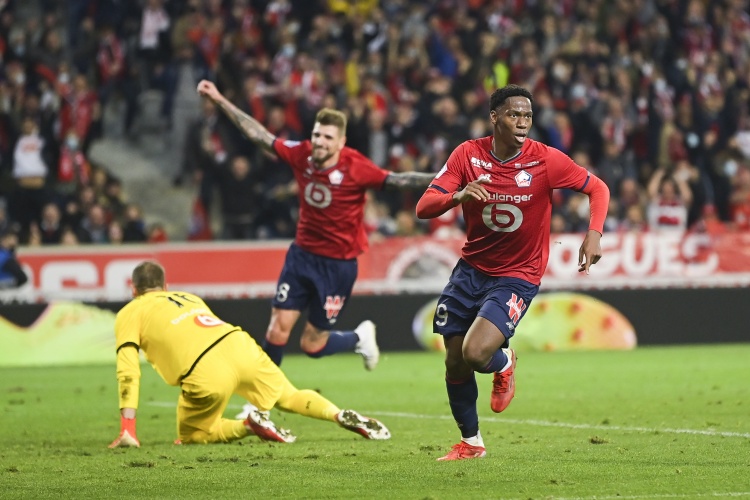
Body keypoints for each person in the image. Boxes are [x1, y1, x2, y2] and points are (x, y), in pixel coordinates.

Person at [415, 84, 610, 461]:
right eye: (514, 115)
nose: (522, 122)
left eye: (527, 116)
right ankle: (472, 443)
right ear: (494, 117)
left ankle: (505, 361)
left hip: (518, 274)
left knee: (475, 353)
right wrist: (458, 196)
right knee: (454, 360)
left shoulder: (546, 159)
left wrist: (594, 234)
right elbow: (424, 207)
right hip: (471, 269)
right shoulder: (467, 155)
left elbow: (598, 189)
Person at [196, 80, 433, 370]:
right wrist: (219, 99)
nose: (320, 142)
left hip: (338, 266)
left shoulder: (356, 167)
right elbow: (260, 136)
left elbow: (399, 180)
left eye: (328, 138)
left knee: (312, 345)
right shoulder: (302, 153)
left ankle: (359, 338)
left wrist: (449, 179)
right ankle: (264, 396)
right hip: (302, 256)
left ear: (341, 142)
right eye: (317, 135)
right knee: (277, 328)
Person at [109, 261, 390, 448]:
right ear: (165, 286)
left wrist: (128, 428)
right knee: (289, 396)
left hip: (203, 369)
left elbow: (128, 370)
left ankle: (249, 424)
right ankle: (337, 414)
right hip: (239, 344)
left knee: (193, 434)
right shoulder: (189, 298)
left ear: (133, 289)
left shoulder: (130, 312)